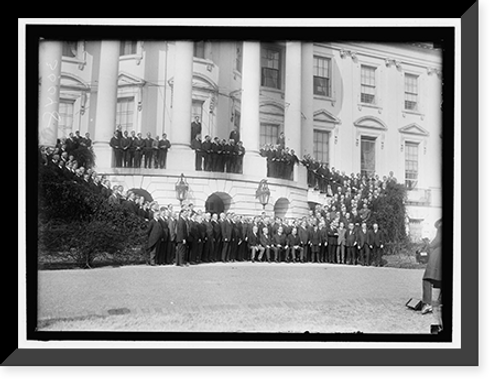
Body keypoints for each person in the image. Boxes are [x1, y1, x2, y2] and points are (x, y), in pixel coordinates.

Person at [421, 219, 442, 316]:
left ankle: (427, 304)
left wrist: (429, 245)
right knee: (439, 280)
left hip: (438, 254)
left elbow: (438, 239)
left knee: (427, 278)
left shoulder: (442, 226)